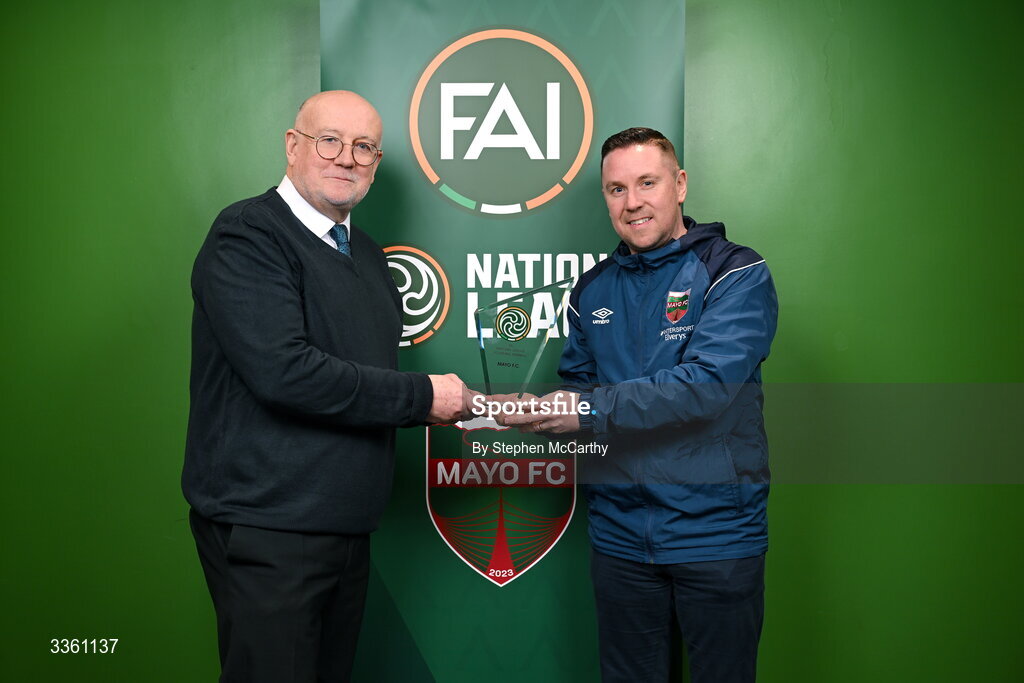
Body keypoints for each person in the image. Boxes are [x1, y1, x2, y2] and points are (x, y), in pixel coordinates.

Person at [182, 90, 472, 683]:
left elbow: (357, 381)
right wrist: (424, 398)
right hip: (270, 528)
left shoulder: (365, 255)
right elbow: (285, 374)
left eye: (363, 147)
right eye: (329, 141)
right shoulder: (249, 234)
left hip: (345, 527)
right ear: (293, 147)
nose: (346, 157)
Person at [500, 127, 778, 682]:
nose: (632, 202)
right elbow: (579, 390)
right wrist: (540, 410)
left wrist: (584, 410)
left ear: (679, 185)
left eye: (647, 183)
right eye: (616, 189)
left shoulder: (736, 273)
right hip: (620, 536)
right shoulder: (591, 290)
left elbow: (704, 388)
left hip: (715, 532)